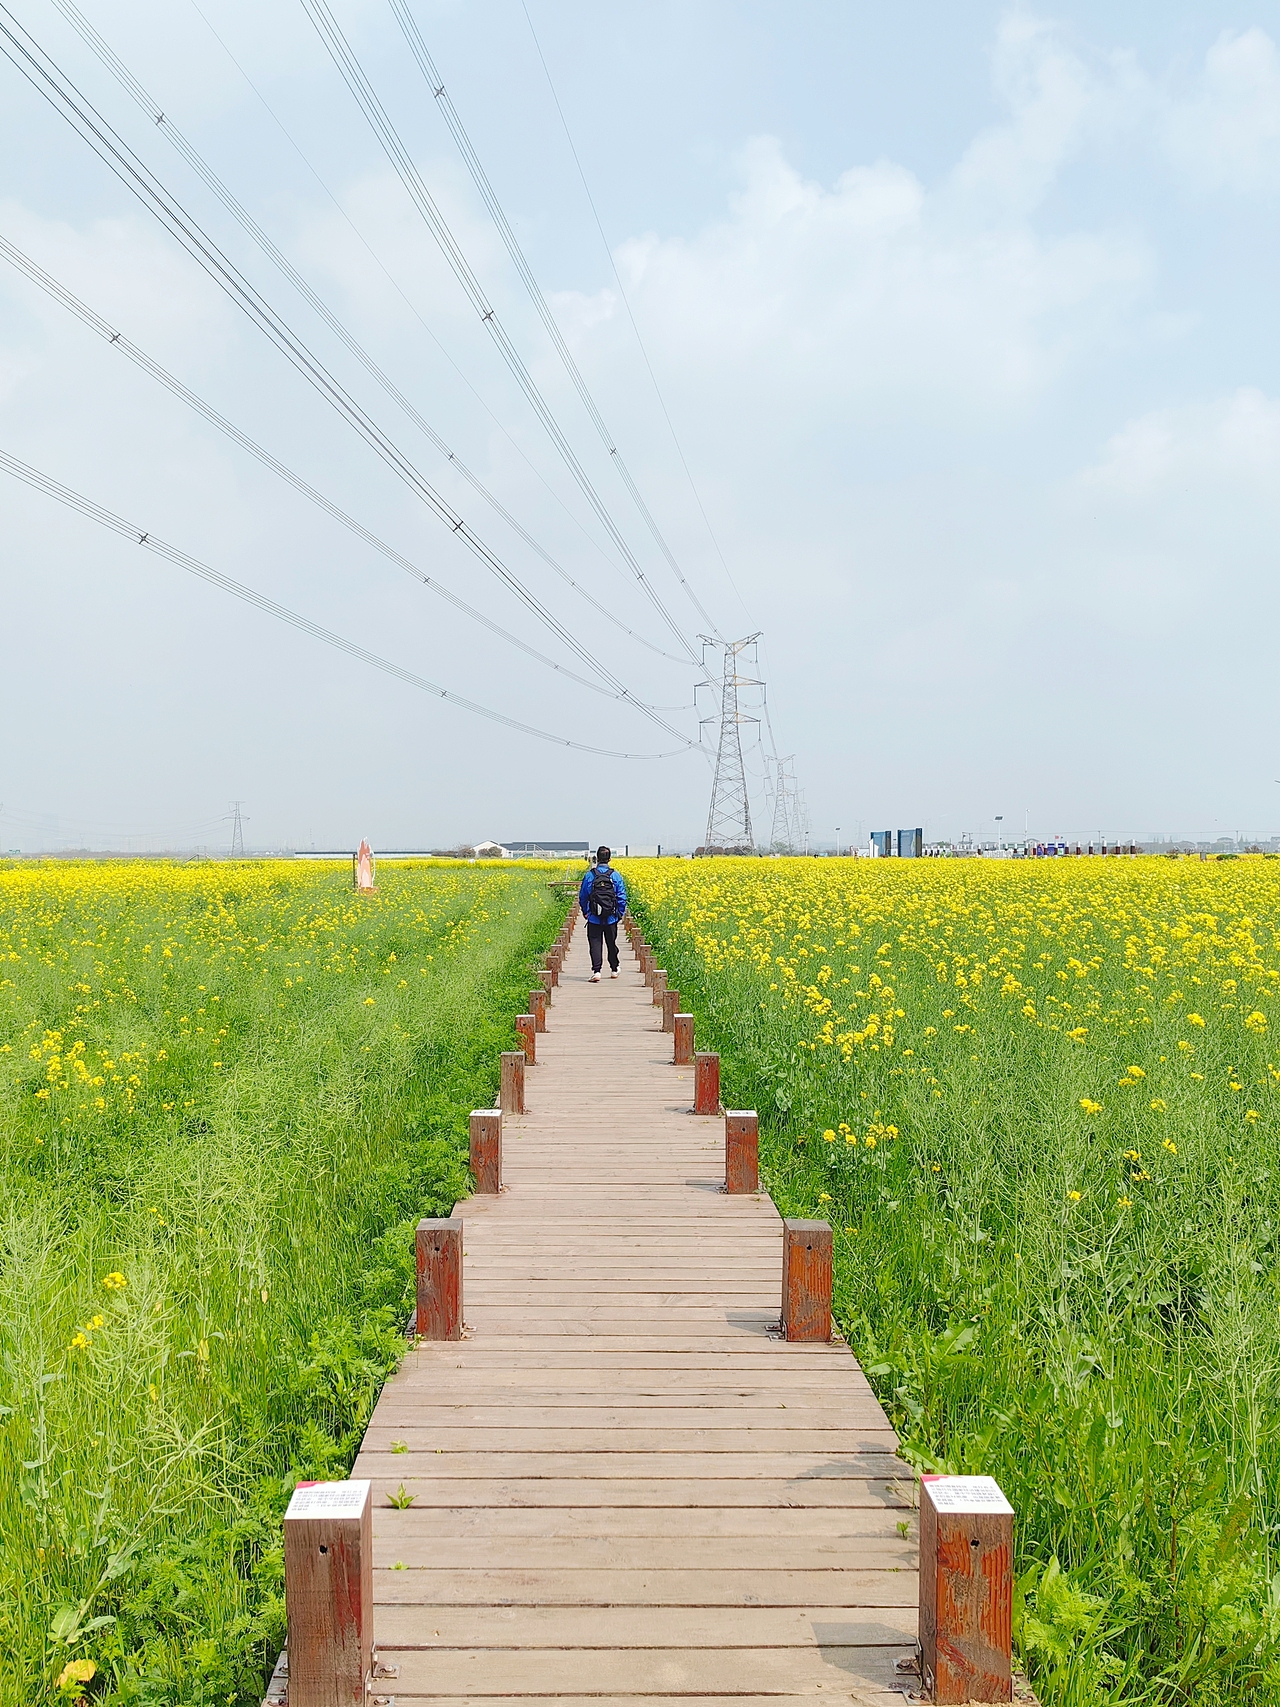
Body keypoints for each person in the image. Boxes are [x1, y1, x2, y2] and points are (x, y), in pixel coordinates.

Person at [578, 846, 627, 982]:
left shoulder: (590, 875)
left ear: (597, 859)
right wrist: (619, 913)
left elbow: (583, 896)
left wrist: (586, 912)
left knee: (595, 943)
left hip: (594, 917)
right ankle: (614, 969)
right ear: (609, 859)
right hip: (611, 917)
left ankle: (597, 971)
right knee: (611, 942)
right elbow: (622, 897)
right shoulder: (615, 876)